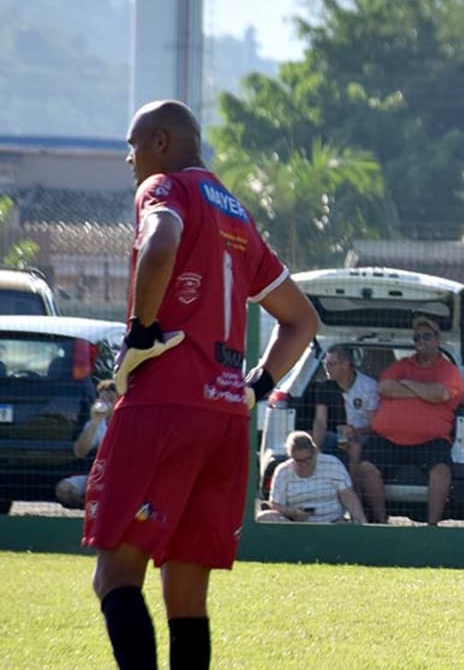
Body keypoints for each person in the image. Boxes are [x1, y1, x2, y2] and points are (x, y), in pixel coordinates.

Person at [81, 99, 318, 670]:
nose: (131, 164)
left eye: (133, 150)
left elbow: (160, 241)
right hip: (224, 420)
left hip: (164, 403)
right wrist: (256, 388)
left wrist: (140, 333)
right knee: (186, 595)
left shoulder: (165, 188)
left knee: (114, 574)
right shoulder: (235, 209)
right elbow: (302, 320)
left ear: (161, 142)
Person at [368, 316, 464, 525]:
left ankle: (431, 526)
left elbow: (440, 394)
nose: (421, 340)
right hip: (388, 438)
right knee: (366, 467)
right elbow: (384, 387)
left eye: (427, 336)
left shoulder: (448, 371)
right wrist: (424, 391)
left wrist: (405, 384)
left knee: (441, 470)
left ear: (438, 340)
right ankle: (379, 523)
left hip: (431, 440)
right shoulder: (403, 364)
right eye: (417, 337)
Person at [309, 345, 386, 522]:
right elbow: (320, 422)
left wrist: (355, 431)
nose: (326, 368)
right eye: (325, 363)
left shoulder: (368, 386)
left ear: (346, 365)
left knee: (355, 447)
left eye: (332, 364)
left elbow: (375, 425)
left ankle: (355, 503)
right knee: (306, 441)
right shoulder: (324, 387)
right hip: (336, 436)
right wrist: (314, 447)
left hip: (364, 436)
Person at [256, 432, 368, 524]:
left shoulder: (333, 464)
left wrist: (362, 523)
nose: (303, 464)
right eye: (298, 461)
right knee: (264, 517)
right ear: (291, 457)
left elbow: (349, 496)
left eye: (307, 460)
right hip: (296, 526)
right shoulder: (283, 471)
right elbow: (275, 506)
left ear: (315, 452)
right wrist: (293, 513)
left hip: (333, 524)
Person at [55, 379, 118, 509]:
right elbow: (79, 452)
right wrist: (94, 422)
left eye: (110, 400)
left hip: (121, 479)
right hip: (97, 478)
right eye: (102, 400)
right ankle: (92, 512)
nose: (106, 404)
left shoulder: (129, 422)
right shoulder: (96, 423)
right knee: (64, 489)